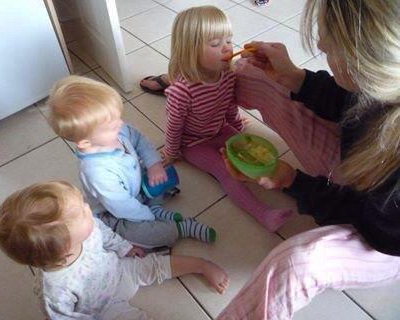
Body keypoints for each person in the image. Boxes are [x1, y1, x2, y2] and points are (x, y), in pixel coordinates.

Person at [217, 0, 400, 318]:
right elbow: (351, 99)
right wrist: (296, 78)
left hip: (386, 240)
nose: (319, 44)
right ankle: (195, 85)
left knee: (294, 263)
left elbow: (365, 217)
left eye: (330, 45)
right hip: (366, 186)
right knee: (258, 75)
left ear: (365, 60)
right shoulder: (382, 82)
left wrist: (290, 181)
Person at [0, 181, 229, 319]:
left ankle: (201, 265)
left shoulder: (88, 228)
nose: (89, 209)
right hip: (102, 308)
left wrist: (126, 248)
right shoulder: (54, 289)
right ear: (66, 247)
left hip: (119, 270)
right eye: (83, 212)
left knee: (156, 264)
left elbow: (106, 235)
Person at [161, 6, 292, 232]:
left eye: (229, 41)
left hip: (220, 129)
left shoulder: (228, 74)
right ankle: (264, 215)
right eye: (215, 44)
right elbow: (174, 126)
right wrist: (172, 152)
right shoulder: (182, 91)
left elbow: (229, 103)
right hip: (194, 144)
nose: (227, 48)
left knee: (253, 156)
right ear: (190, 52)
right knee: (227, 172)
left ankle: (291, 185)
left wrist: (238, 126)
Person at [47, 75, 216, 248]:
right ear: (85, 143)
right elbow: (122, 207)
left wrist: (153, 165)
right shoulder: (97, 172)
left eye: (118, 117)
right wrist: (147, 215)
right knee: (150, 236)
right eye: (112, 126)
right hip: (116, 212)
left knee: (162, 173)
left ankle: (155, 207)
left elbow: (139, 139)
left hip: (135, 187)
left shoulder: (115, 129)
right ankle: (180, 228)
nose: (121, 124)